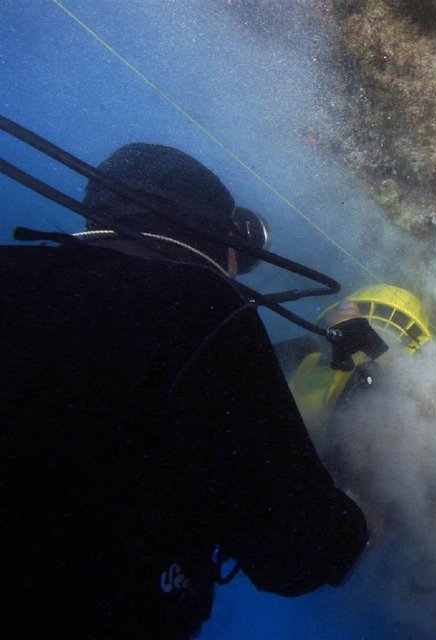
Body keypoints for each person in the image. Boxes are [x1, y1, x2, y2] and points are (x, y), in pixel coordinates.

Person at [0, 143, 368, 639]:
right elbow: (294, 554)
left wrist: (303, 347)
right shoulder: (204, 307)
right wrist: (358, 519)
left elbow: (123, 358)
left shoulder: (15, 272)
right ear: (216, 233)